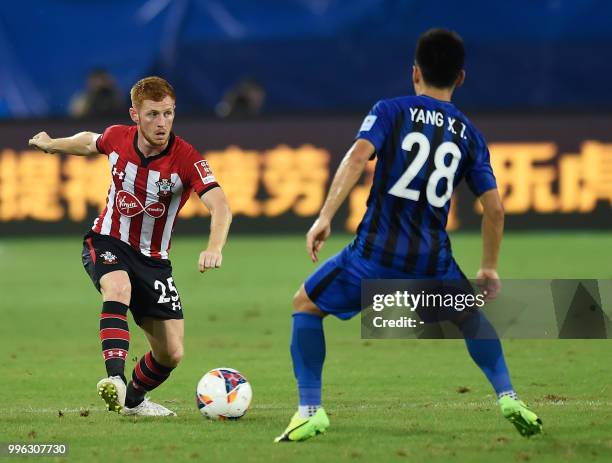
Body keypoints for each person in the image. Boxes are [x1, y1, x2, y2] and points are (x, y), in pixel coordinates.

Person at [275, 29, 542, 442]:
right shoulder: (469, 134)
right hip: (432, 261)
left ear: (415, 72)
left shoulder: (391, 111)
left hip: (374, 254)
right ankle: (509, 395)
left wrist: (325, 216)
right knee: (471, 317)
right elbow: (495, 209)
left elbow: (358, 156)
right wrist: (488, 266)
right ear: (461, 78)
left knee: (305, 304)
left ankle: (309, 410)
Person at [29, 76, 232, 416]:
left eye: (168, 114)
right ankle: (115, 380)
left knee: (171, 353)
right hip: (107, 239)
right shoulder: (118, 137)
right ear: (135, 115)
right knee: (117, 287)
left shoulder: (186, 158)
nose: (162, 123)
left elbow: (221, 206)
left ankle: (133, 400)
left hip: (154, 261)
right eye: (153, 114)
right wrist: (53, 143)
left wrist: (215, 247)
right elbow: (89, 142)